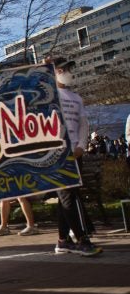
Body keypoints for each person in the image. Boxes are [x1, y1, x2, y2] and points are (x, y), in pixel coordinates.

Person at [51, 57, 101, 256]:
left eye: (69, 69)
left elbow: (83, 124)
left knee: (68, 196)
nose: (68, 72)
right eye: (63, 69)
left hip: (75, 153)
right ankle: (82, 239)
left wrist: (81, 145)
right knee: (68, 196)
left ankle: (63, 240)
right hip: (58, 155)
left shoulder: (76, 98)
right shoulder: (48, 95)